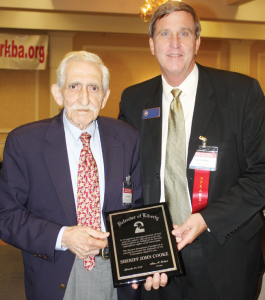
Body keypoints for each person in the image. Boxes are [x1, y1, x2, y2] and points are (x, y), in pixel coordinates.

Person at [119, 2, 265, 300]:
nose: (174, 44)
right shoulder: (133, 101)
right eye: (164, 34)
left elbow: (261, 174)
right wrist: (137, 250)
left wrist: (205, 219)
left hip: (225, 250)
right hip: (157, 257)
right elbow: (126, 178)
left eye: (184, 33)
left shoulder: (241, 93)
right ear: (151, 44)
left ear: (197, 42)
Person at [0, 51, 166, 300]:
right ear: (58, 93)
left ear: (105, 96)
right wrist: (63, 236)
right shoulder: (25, 143)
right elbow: (6, 216)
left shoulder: (128, 138)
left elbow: (140, 207)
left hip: (117, 273)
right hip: (57, 272)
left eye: (94, 88)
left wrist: (150, 260)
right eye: (74, 86)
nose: (84, 98)